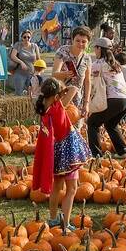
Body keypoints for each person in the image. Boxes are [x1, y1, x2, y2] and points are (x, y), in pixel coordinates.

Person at [32, 78, 91, 230]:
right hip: (68, 152)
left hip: (57, 152)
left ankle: (53, 219)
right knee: (72, 188)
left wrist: (59, 90)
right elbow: (74, 89)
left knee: (57, 188)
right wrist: (63, 88)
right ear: (56, 95)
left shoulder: (45, 109)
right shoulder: (58, 106)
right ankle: (66, 222)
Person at [87, 37, 126, 157]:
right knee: (110, 124)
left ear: (99, 49)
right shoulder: (115, 64)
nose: (94, 51)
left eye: (95, 48)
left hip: (114, 99)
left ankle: (96, 154)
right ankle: (123, 152)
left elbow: (89, 78)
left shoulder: (98, 64)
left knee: (92, 123)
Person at [52, 26, 92, 119]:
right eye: (77, 40)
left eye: (84, 41)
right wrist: (65, 74)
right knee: (60, 126)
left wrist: (86, 103)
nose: (80, 44)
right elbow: (54, 74)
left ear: (88, 43)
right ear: (72, 40)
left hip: (78, 100)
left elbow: (87, 81)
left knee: (75, 130)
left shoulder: (87, 58)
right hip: (62, 97)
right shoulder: (63, 51)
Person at [9, 29, 40, 95]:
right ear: (22, 38)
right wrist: (21, 62)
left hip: (32, 74)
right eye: (24, 37)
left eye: (28, 37)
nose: (27, 39)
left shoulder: (34, 46)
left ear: (31, 38)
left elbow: (38, 60)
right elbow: (13, 56)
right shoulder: (18, 45)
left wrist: (38, 72)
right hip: (20, 73)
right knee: (18, 94)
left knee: (32, 94)